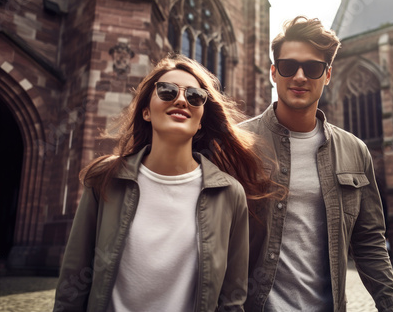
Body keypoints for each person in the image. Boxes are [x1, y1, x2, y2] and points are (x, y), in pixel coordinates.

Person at [53, 54, 275, 311]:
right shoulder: (105, 177)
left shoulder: (229, 193)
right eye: (167, 91)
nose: (181, 99)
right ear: (146, 111)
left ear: (201, 118)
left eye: (195, 96)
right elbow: (73, 282)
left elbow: (232, 299)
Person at [240, 16, 393, 311]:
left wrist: (390, 305)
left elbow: (369, 241)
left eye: (313, 68)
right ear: (274, 73)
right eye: (289, 66)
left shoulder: (355, 150)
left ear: (327, 75)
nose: (300, 76)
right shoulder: (238, 143)